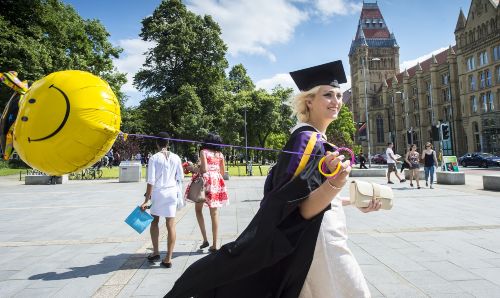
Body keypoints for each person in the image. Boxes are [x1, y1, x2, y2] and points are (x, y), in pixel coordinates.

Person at [166, 60, 373, 298]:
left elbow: (316, 198)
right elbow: (297, 208)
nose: (336, 101)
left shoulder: (315, 140)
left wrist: (354, 200)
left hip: (322, 235)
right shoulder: (306, 141)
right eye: (328, 95)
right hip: (320, 239)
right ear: (309, 100)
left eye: (338, 95)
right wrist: (336, 182)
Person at [140, 132, 184, 268]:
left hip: (158, 193)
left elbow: (151, 181)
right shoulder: (176, 157)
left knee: (155, 222)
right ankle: (168, 258)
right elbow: (180, 176)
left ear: (157, 143)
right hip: (172, 192)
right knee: (171, 224)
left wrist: (146, 200)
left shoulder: (154, 158)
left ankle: (156, 251)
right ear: (168, 143)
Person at [185, 133, 229, 252]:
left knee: (198, 210)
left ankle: (205, 239)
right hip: (216, 182)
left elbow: (203, 170)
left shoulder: (203, 152)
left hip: (205, 183)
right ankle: (215, 245)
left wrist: (192, 168)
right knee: (214, 213)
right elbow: (222, 172)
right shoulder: (220, 154)